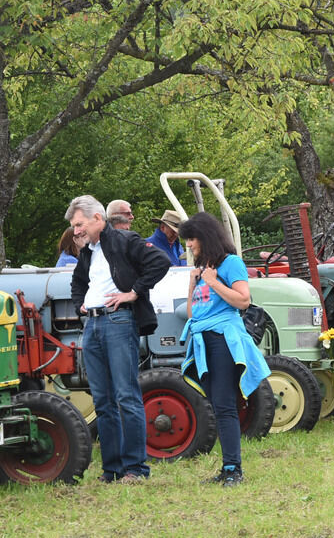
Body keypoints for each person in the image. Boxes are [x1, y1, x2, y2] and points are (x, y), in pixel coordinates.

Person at [65, 195, 171, 484]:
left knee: (126, 395)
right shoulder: (88, 252)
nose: (76, 231)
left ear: (97, 219)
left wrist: (134, 293)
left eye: (79, 224)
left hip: (119, 320)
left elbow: (159, 262)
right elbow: (77, 283)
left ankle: (136, 469)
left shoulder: (125, 240)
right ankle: (111, 470)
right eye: (75, 226)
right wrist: (80, 306)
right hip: (93, 325)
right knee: (102, 401)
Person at [179, 212, 270, 487]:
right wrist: (194, 282)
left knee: (225, 405)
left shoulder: (230, 264)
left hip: (222, 339)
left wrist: (214, 281)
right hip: (203, 338)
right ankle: (228, 467)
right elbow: (192, 312)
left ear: (205, 237)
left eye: (192, 239)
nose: (190, 245)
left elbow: (243, 301)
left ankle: (233, 469)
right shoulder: (203, 268)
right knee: (218, 405)